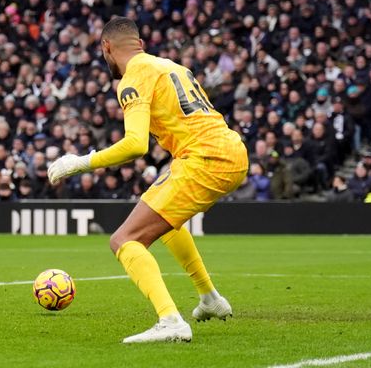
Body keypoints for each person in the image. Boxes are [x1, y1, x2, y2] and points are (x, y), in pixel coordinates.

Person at [48, 17, 249, 343]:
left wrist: (80, 162)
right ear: (139, 43)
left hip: (204, 158)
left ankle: (170, 320)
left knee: (124, 239)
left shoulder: (133, 77)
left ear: (106, 47)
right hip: (231, 150)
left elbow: (135, 145)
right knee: (165, 220)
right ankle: (210, 298)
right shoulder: (170, 65)